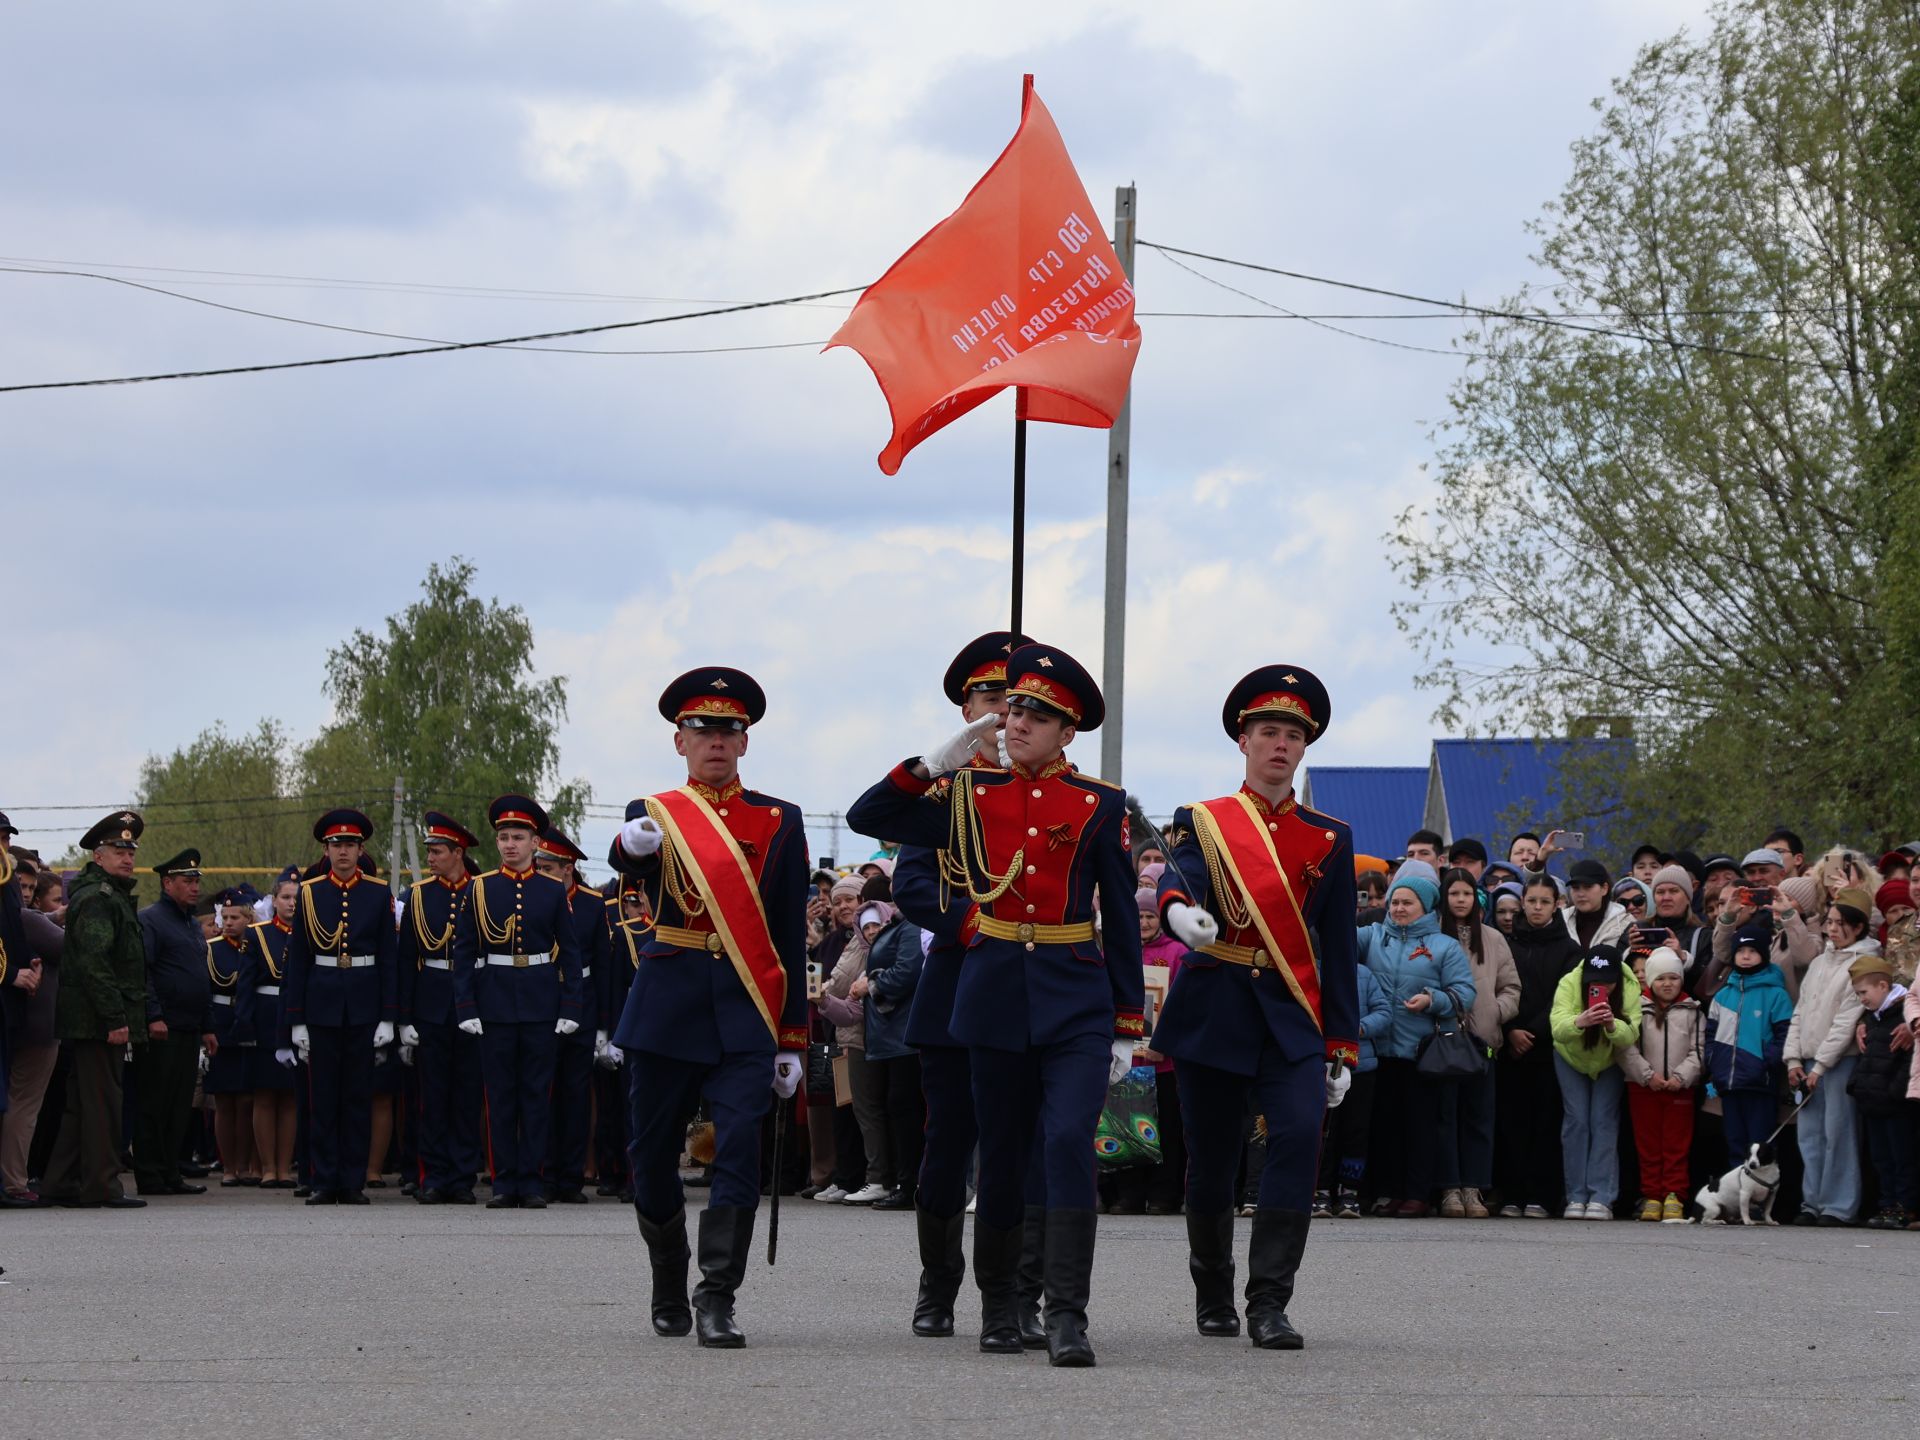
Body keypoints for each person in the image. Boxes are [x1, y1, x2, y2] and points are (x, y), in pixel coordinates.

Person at [848, 642, 1141, 1368]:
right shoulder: (965, 796)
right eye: (1014, 708)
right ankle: (998, 1303)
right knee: (999, 1155)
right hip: (989, 993)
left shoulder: (1099, 804)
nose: (1017, 721)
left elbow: (1125, 919)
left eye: (1037, 714)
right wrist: (931, 766)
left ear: (1067, 730)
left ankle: (1066, 1313)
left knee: (1069, 1141)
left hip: (1074, 993)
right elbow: (867, 816)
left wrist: (1128, 1018)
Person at [1149, 668, 1358, 1350]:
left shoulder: (1329, 837)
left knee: (1298, 1142)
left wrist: (1342, 1044)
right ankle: (1213, 1289)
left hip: (1291, 1014)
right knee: (1211, 1161)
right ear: (1243, 739)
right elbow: (1185, 880)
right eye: (1268, 731)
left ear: (1305, 749)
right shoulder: (1204, 821)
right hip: (1217, 1007)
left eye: (1293, 735)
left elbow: (1335, 945)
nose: (1280, 744)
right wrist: (1180, 914)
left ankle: (1271, 1301)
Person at [609, 668, 808, 1349]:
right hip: (668, 1002)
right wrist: (630, 849)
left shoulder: (780, 820)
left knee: (740, 1151)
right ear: (679, 741)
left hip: (747, 1007)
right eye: (702, 730)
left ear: (745, 743)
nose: (715, 742)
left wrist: (792, 1038)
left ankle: (717, 1295)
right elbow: (625, 857)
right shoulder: (656, 812)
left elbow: (785, 933)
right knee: (651, 1153)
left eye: (728, 731)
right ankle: (669, 1276)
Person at [879, 629, 1028, 1338]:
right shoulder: (942, 794)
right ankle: (938, 1286)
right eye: (989, 697)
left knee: (1020, 1143)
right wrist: (976, 925)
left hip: (1031, 991)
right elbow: (911, 883)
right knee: (948, 1144)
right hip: (958, 983)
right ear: (967, 710)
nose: (1003, 711)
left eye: (1015, 697)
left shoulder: (1056, 791)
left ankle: (1017, 1291)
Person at [451, 795, 586, 1211]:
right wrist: (467, 1007)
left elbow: (571, 952)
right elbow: (464, 951)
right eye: (504, 837)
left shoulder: (550, 890)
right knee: (499, 1097)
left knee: (535, 1095)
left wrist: (570, 1008)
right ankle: (503, 1181)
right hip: (493, 999)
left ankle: (531, 1180)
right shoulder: (480, 888)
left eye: (519, 837)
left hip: (541, 1000)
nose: (510, 844)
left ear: (535, 843)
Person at [284, 809, 399, 1206]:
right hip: (322, 1003)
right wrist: (296, 1020)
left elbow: (388, 956)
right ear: (326, 849)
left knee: (356, 1097)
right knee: (322, 1098)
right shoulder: (311, 892)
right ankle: (322, 1178)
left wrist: (388, 1015)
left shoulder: (377, 891)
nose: (343, 852)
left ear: (361, 849)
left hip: (364, 1004)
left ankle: (352, 1180)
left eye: (350, 845)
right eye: (337, 845)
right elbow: (298, 959)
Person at [41, 811, 148, 1209]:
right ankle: (102, 1185)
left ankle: (60, 1181)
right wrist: (115, 1019)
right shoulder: (99, 899)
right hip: (97, 1021)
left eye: (130, 851)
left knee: (81, 1103)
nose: (127, 858)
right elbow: (95, 964)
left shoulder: (107, 896)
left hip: (91, 1020)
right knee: (104, 1101)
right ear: (98, 857)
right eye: (118, 851)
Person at [1357, 864, 1474, 1219]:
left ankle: (1417, 1193)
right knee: (1386, 1124)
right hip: (1380, 1050)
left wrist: (1432, 1000)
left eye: (1407, 903)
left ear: (1425, 907)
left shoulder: (1444, 946)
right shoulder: (1374, 936)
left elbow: (1465, 993)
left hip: (1421, 1051)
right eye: (1394, 902)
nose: (1398, 909)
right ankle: (1389, 1191)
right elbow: (1333, 939)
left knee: (1420, 1126)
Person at [397, 812, 482, 1205]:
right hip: (430, 1002)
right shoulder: (418, 894)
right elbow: (407, 959)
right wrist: (404, 1018)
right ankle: (431, 1176)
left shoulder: (481, 890)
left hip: (472, 1003)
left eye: (438, 851)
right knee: (431, 1097)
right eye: (429, 851)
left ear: (458, 852)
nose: (431, 858)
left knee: (466, 1095)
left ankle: (462, 1176)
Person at [1783, 888, 1876, 1226]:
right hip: (1807, 1061)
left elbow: (1846, 1021)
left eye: (1840, 923)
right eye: (1830, 922)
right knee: (1810, 1135)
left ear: (1859, 926)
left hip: (1839, 1063)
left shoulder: (1863, 962)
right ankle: (1813, 1201)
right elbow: (1800, 1011)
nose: (1832, 929)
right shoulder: (1821, 961)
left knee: (1840, 1133)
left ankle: (1839, 1205)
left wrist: (1821, 1065)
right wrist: (1793, 1059)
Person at [1434, 866, 1519, 1218]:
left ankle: (1473, 1189)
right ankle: (1449, 1189)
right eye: (1454, 893)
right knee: (1444, 1117)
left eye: (1466, 894)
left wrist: (1493, 1014)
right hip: (1443, 1041)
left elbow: (1511, 988)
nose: (1460, 900)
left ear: (1476, 898)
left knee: (1478, 1118)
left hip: (1484, 1042)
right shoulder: (1433, 936)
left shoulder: (1494, 939)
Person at [1496, 875, 1582, 1217]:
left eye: (1544, 902)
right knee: (1511, 1121)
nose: (1537, 908)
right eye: (1531, 901)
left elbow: (1565, 998)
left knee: (1545, 1122)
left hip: (1548, 1048)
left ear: (1557, 904)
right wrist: (1512, 1030)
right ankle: (1511, 1193)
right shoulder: (1507, 943)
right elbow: (1499, 988)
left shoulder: (1569, 949)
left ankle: (1541, 1195)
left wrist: (1532, 1032)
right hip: (1510, 1045)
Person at [134, 848, 214, 1197]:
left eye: (197, 880)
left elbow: (202, 976)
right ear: (168, 883)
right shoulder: (151, 920)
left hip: (189, 1026)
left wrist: (208, 1025)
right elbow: (144, 971)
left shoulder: (191, 924)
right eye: (187, 881)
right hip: (163, 1025)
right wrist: (153, 1015)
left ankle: (170, 1172)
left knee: (180, 1103)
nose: (194, 887)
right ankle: (149, 1174)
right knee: (155, 1102)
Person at [534, 823, 606, 1205]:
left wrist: (605, 1026)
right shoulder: (530, 897)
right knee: (542, 1092)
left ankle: (571, 1176)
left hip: (583, 1003)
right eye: (539, 865)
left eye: (548, 867)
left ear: (567, 869)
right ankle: (543, 1173)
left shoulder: (593, 904)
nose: (541, 872)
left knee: (576, 1097)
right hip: (543, 1001)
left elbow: (605, 966)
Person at [1548, 943, 1641, 1220]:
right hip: (1570, 1057)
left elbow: (1632, 1034)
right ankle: (1576, 1196)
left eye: (1606, 982)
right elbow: (1557, 1028)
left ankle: (1601, 1197)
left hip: (1610, 1060)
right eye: (1594, 982)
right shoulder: (1569, 981)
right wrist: (1581, 1021)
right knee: (1577, 1121)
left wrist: (1613, 1025)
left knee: (1603, 1121)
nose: (1601, 986)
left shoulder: (1630, 985)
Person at [852, 879, 924, 1211]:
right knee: (897, 1108)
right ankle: (902, 1180)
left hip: (903, 1034)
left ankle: (910, 1184)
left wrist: (872, 984)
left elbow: (907, 972)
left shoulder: (910, 927)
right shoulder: (897, 924)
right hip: (888, 1035)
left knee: (905, 1108)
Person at [1117, 884, 1188, 1217]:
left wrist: (1164, 1045)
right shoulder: (1120, 949)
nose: (1143, 923)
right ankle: (1129, 1195)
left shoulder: (1177, 952)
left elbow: (1183, 1003)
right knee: (1129, 1129)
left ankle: (1164, 1195)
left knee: (1167, 1131)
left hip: (1164, 1062)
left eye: (1149, 916)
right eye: (1139, 916)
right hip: (1128, 1059)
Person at [1618, 947, 1702, 1222]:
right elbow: (1626, 1048)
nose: (1668, 984)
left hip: (1680, 1089)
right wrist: (1646, 1075)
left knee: (1677, 1145)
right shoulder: (1637, 1009)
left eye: (1673, 978)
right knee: (1648, 1144)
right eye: (1661, 978)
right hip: (1644, 1088)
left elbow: (1698, 1051)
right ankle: (1652, 1195)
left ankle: (1674, 1195)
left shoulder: (1692, 1010)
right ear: (1651, 980)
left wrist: (1681, 1077)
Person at [1704, 927, 1795, 1171]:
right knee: (1735, 1142)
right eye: (1740, 951)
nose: (1745, 956)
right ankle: (1737, 1199)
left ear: (1763, 955)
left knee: (1760, 1145)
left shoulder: (1776, 994)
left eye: (1752, 951)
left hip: (1760, 1083)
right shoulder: (1723, 995)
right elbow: (1710, 1034)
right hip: (1729, 1083)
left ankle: (1758, 1202)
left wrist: (1767, 1061)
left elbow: (1784, 1035)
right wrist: (1714, 1061)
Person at [235, 870, 298, 1188]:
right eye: (286, 897)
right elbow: (245, 983)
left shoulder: (310, 933)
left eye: (297, 898)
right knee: (263, 1096)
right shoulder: (257, 934)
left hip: (295, 1018)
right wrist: (244, 1023)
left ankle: (285, 1168)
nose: (291, 903)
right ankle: (268, 1167)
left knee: (289, 1097)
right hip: (264, 1017)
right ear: (274, 901)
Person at [1316, 953, 1390, 1220]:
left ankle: (1350, 1190)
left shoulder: (1363, 974)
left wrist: (1359, 1028)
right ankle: (1321, 1190)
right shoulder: (1310, 970)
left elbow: (1384, 1011)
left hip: (1362, 1064)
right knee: (1326, 1130)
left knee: (1356, 1130)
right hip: (1321, 1061)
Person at [1845, 952, 1915, 1229]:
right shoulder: (1872, 1017)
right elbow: (1867, 1056)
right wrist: (1857, 1086)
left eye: (1863, 992)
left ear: (1883, 986)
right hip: (1872, 1100)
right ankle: (1887, 1203)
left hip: (1896, 1102)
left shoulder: (1903, 1015)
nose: (1861, 998)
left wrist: (1895, 1091)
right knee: (1881, 1158)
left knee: (1903, 1157)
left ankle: (1906, 1206)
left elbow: (1908, 1060)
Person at [204, 888, 257, 1185]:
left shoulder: (256, 944)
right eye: (224, 917)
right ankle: (229, 1167)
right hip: (221, 1022)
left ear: (249, 918)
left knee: (248, 1099)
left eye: (235, 917)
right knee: (224, 1101)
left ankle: (247, 1164)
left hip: (247, 1023)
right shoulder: (212, 948)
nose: (229, 922)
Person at [1878, 878, 1918, 985]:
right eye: (1893, 911)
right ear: (1885, 916)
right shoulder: (1877, 947)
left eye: (1906, 908)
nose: (1901, 914)